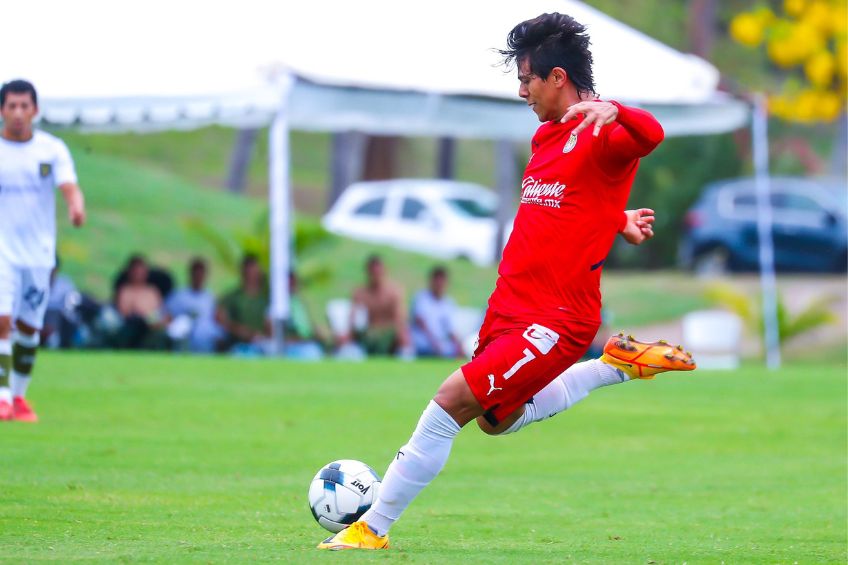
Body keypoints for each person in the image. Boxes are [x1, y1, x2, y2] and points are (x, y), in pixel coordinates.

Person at [318, 13, 695, 550]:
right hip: (510, 306)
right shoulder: (547, 135)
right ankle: (613, 365)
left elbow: (652, 134)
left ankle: (371, 528)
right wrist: (617, 218)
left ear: (557, 77)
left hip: (556, 317)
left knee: (449, 402)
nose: (522, 91)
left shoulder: (606, 129)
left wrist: (616, 109)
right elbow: (569, 201)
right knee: (496, 420)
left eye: (526, 79)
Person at [0, 79, 86, 422]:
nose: (18, 113)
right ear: (2, 110)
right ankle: (3, 396)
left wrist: (76, 207)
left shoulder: (51, 149)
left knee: (29, 328)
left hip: (37, 254)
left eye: (25, 106)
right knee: (2, 320)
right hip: (2, 250)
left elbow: (69, 186)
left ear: (35, 110)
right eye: (12, 106)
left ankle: (19, 397)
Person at [341, 255, 411, 357]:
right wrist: (347, 335)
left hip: (389, 334)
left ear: (385, 270)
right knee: (345, 339)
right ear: (367, 272)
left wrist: (400, 334)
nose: (376, 275)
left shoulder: (394, 292)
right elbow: (352, 318)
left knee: (403, 336)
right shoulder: (360, 293)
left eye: (378, 271)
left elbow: (400, 318)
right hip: (367, 335)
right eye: (373, 272)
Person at [165, 257, 223, 353]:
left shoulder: (210, 297)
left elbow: (218, 319)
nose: (198, 277)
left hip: (206, 341)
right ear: (190, 274)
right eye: (196, 273)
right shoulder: (179, 295)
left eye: (201, 274)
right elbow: (168, 316)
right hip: (184, 341)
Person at [216, 254, 271, 353]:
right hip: (239, 344)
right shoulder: (233, 297)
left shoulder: (265, 298)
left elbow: (270, 324)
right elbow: (220, 318)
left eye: (253, 270)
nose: (251, 274)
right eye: (248, 270)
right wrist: (242, 332)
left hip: (263, 344)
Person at [114, 255, 168, 350]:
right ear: (130, 272)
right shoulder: (125, 290)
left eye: (141, 271)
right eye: (136, 271)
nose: (138, 274)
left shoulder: (152, 291)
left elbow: (160, 312)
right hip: (133, 328)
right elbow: (124, 312)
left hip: (153, 327)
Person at [410, 266, 463, 358]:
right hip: (423, 344)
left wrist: (459, 346)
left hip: (440, 346)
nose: (439, 285)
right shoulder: (421, 298)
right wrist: (435, 342)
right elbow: (421, 322)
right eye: (437, 281)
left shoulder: (448, 303)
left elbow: (451, 329)